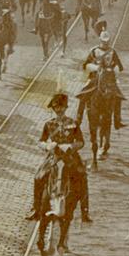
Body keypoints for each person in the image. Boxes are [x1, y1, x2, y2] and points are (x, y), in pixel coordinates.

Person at [29, 91, 89, 223]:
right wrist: (47, 146)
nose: (59, 110)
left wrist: (71, 147)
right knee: (38, 177)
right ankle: (36, 208)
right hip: (54, 156)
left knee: (82, 176)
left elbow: (81, 142)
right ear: (54, 109)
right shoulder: (49, 124)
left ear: (66, 108)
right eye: (56, 108)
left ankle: (85, 210)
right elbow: (41, 141)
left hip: (70, 156)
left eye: (61, 107)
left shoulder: (73, 123)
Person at [83, 25, 126, 128]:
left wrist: (113, 68)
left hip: (109, 79)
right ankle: (79, 118)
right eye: (103, 41)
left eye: (107, 42)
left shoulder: (112, 52)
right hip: (94, 78)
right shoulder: (94, 51)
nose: (105, 44)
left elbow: (120, 66)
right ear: (100, 40)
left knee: (118, 96)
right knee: (83, 94)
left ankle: (117, 120)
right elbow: (85, 65)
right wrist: (94, 67)